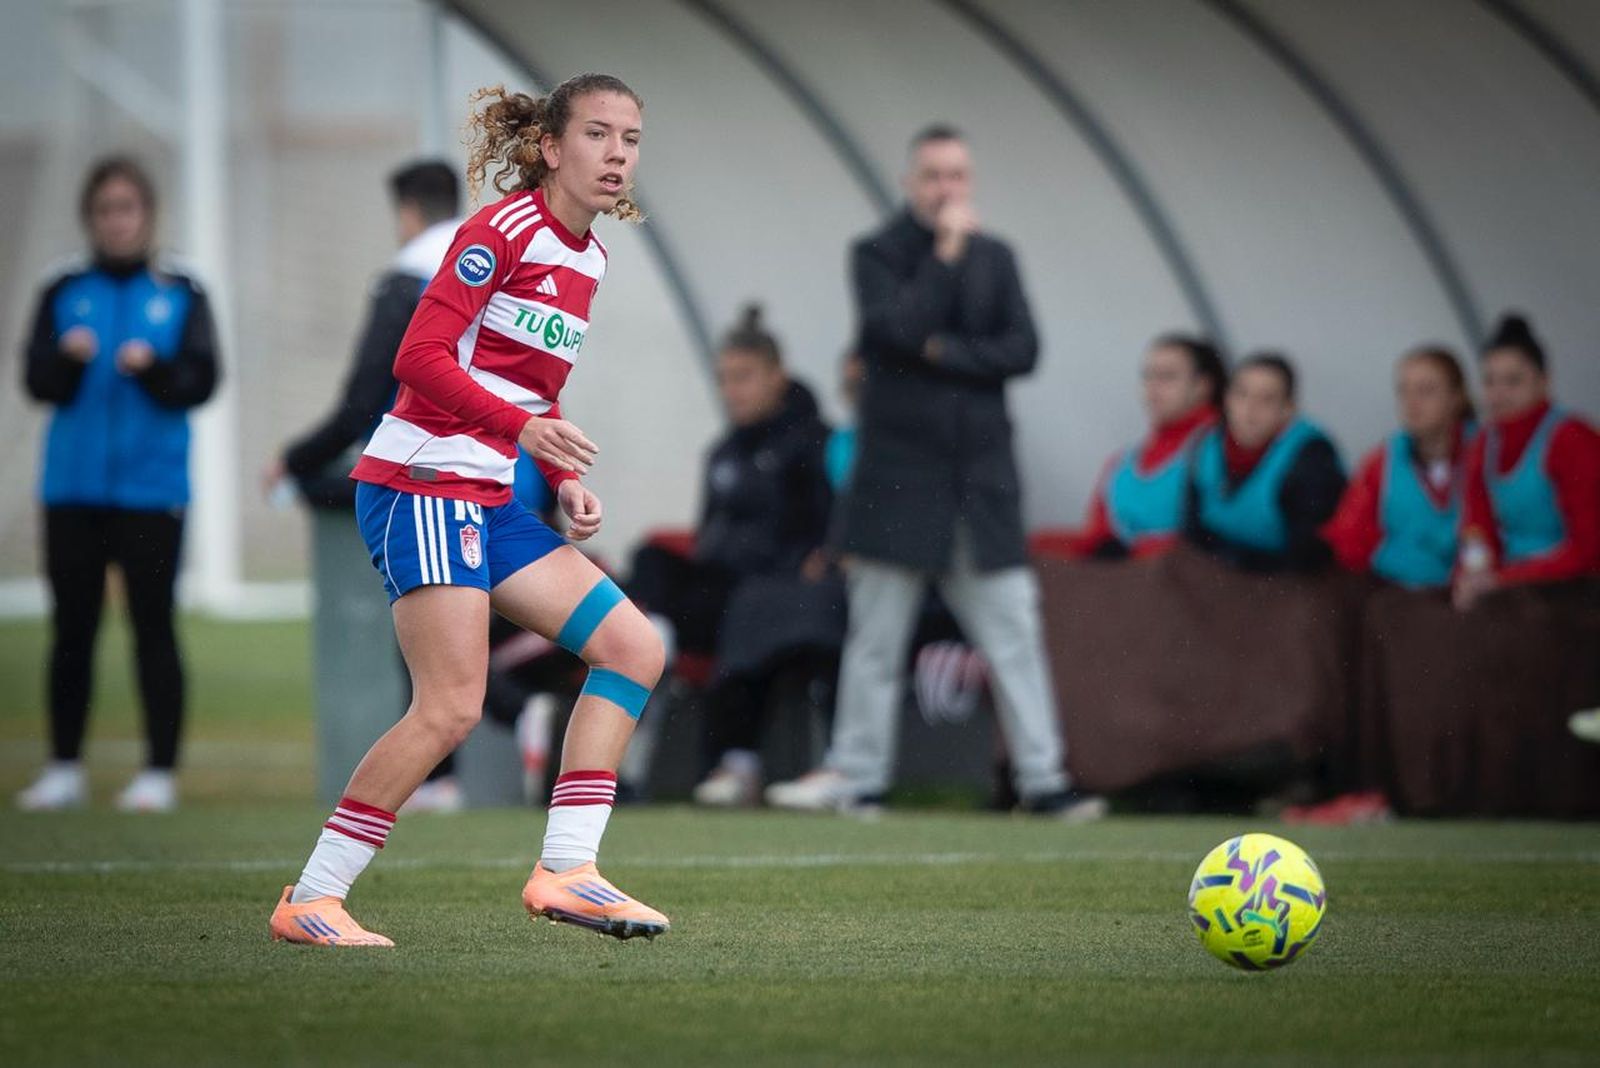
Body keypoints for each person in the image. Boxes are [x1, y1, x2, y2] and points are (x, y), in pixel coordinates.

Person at [269, 74, 671, 947]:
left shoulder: (590, 257)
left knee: (633, 646)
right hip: (419, 483)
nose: (616, 155)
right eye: (598, 135)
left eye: (630, 140)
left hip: (483, 495)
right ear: (549, 148)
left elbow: (531, 385)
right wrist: (523, 429)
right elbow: (418, 358)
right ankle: (312, 897)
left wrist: (558, 466)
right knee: (450, 705)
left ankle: (568, 870)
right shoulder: (499, 231)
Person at [764, 125, 1103, 819]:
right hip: (897, 480)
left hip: (981, 482)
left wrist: (941, 350)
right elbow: (892, 332)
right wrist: (946, 258)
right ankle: (861, 776)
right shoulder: (876, 254)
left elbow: (1022, 350)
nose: (948, 189)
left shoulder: (1000, 257)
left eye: (957, 176)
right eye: (934, 176)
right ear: (909, 182)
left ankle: (1044, 779)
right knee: (876, 640)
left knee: (1013, 631)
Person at [264, 159, 469, 812]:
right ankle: (472, 769)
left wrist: (295, 460)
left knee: (429, 640)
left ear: (406, 212)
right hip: (508, 470)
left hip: (438, 477)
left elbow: (361, 404)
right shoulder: (493, 262)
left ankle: (432, 786)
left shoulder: (408, 278)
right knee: (485, 629)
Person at [16, 157, 220, 813]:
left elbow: (202, 381)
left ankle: (159, 772)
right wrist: (64, 360)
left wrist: (156, 369)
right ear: (91, 218)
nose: (117, 220)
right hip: (72, 490)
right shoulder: (63, 288)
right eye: (106, 209)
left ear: (147, 215)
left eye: (128, 207)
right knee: (71, 630)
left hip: (152, 492)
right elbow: (36, 381)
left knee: (152, 628)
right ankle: (64, 768)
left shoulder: (182, 289)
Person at [649, 306, 835, 806]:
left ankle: (737, 761)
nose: (732, 390)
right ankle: (653, 636)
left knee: (753, 607)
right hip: (720, 586)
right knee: (650, 560)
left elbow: (828, 527)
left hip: (778, 588)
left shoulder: (814, 443)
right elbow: (707, 531)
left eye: (744, 377)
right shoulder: (722, 453)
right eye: (724, 379)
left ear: (778, 377)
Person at [1453, 313, 1600, 612]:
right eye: (1490, 381)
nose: (1498, 393)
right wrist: (1469, 574)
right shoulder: (1485, 443)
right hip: (1515, 583)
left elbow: (1590, 547)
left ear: (1544, 382)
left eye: (1513, 381)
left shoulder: (1571, 439)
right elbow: (1477, 528)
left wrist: (1504, 579)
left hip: (1574, 586)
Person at [1057, 334, 1224, 559]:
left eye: (1167, 377)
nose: (1152, 387)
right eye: (1147, 376)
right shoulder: (1121, 464)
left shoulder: (1222, 449)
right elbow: (1094, 538)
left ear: (1202, 386)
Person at [1324, 346, 1475, 589]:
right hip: (1396, 591)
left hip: (1473, 593)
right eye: (1403, 391)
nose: (1412, 402)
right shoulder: (1381, 461)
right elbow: (1350, 538)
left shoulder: (1486, 455)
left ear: (1457, 397)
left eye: (1426, 390)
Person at [1183, 353, 1345, 573]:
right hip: (1218, 568)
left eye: (1266, 399)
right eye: (1241, 394)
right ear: (1227, 399)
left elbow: (1309, 554)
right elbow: (1191, 528)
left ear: (1288, 410)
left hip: (1281, 579)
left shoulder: (1311, 460)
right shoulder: (1205, 443)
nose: (1250, 409)